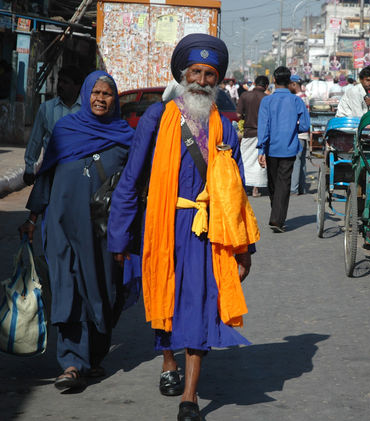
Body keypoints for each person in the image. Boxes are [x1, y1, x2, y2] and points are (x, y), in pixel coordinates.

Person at [108, 34, 259, 421]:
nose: (203, 80)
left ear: (219, 80)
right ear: (182, 73)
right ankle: (168, 360)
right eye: (196, 72)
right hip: (163, 226)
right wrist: (119, 237)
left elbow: (235, 191)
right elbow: (131, 177)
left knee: (200, 305)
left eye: (211, 74)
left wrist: (244, 249)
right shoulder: (157, 120)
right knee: (164, 297)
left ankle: (189, 397)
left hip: (206, 232)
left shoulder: (225, 128)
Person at [18, 70, 134, 391]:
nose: (100, 98)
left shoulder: (125, 137)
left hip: (103, 232)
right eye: (95, 92)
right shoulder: (65, 130)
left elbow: (138, 185)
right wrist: (33, 217)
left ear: (114, 99)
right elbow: (46, 177)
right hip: (61, 226)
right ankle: (71, 362)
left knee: (105, 290)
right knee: (68, 287)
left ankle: (93, 356)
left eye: (106, 93)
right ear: (86, 94)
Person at [257, 66, 310, 232]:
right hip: (289, 147)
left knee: (273, 183)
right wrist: (294, 129)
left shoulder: (267, 101)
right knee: (283, 184)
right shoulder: (296, 101)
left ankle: (277, 218)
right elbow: (306, 125)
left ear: (273, 80)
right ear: (289, 82)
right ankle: (277, 217)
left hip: (271, 148)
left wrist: (261, 150)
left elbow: (263, 127)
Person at [23, 65, 83, 185]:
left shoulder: (87, 110)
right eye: (59, 81)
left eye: (65, 82)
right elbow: (35, 140)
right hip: (51, 171)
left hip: (79, 173)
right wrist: (29, 168)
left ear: (77, 86)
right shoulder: (46, 108)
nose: (60, 85)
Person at [237, 75, 269, 197]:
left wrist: (246, 118)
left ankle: (244, 186)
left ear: (255, 83)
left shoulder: (245, 95)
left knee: (245, 160)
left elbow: (239, 114)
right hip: (263, 133)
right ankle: (256, 189)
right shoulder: (267, 98)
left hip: (248, 132)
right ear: (266, 86)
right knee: (259, 161)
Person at [289, 74, 308, 195]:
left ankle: (294, 189)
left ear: (294, 84)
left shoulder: (297, 98)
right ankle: (302, 188)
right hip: (304, 134)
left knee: (296, 161)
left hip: (298, 133)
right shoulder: (305, 97)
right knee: (302, 162)